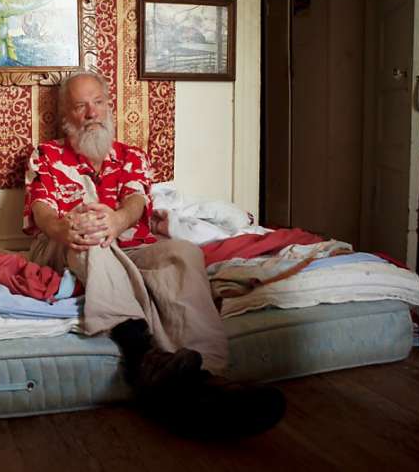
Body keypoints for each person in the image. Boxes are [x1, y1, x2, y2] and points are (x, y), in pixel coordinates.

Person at [23, 71, 286, 437]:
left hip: (131, 247)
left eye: (98, 102)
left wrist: (116, 220)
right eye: (80, 106)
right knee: (90, 237)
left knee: (182, 252)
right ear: (65, 114)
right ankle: (142, 355)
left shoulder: (132, 156)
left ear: (109, 106)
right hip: (67, 245)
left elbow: (136, 199)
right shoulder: (46, 155)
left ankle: (206, 378)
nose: (91, 113)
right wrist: (67, 227)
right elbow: (42, 211)